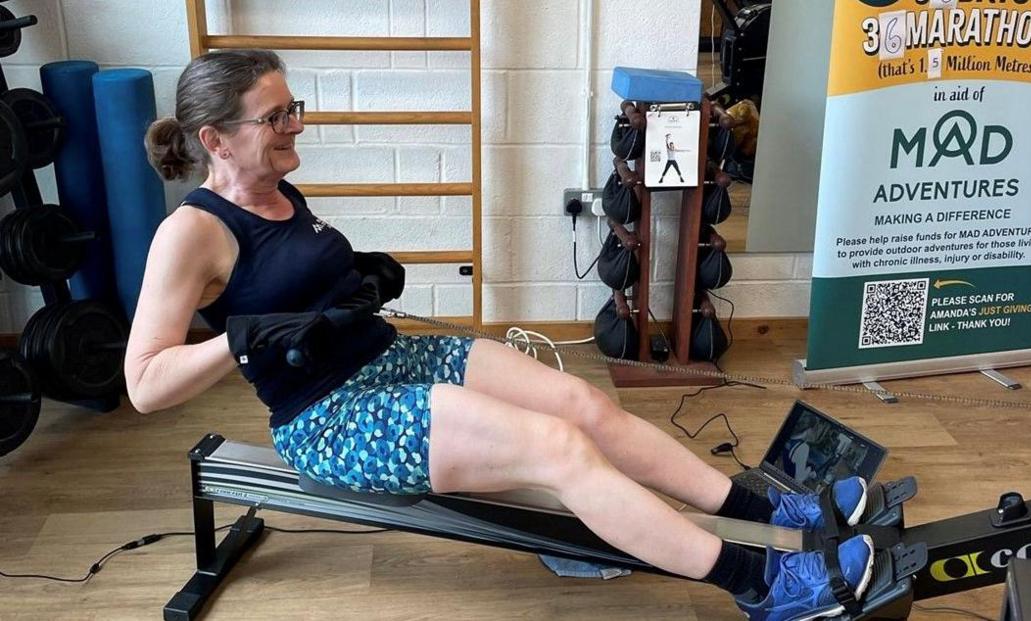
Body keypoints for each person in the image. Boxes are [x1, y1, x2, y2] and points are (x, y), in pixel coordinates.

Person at [126, 49, 875, 620]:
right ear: (215, 140)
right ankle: (764, 586)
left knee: (583, 406)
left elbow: (292, 282)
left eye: (296, 108)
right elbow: (145, 382)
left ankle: (769, 512)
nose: (296, 127)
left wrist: (356, 279)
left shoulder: (278, 185)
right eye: (276, 117)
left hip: (388, 357)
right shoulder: (189, 233)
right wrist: (240, 339)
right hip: (331, 417)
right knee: (559, 451)